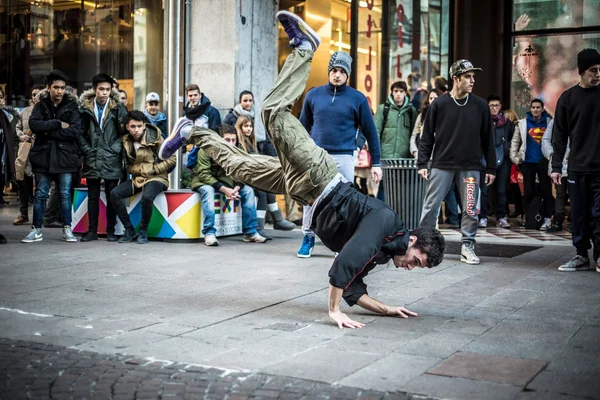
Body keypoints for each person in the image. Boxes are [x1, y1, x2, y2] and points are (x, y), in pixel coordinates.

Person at [159, 11, 445, 328]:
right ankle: (305, 48)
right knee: (270, 112)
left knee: (239, 167)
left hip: (304, 188)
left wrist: (385, 308)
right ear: (413, 242)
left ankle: (190, 132)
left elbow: (354, 289)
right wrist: (334, 311)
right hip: (319, 170)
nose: (410, 268)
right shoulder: (386, 223)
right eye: (416, 262)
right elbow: (344, 265)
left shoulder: (380, 253)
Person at [296, 49, 382, 258]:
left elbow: (370, 131)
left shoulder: (358, 99)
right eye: (334, 69)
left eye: (342, 71)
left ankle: (340, 241)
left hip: (344, 156)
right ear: (329, 71)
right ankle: (308, 237)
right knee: (311, 197)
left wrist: (376, 163)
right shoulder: (313, 95)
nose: (337, 74)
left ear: (348, 74)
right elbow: (301, 128)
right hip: (316, 156)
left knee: (343, 200)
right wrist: (298, 154)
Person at [418, 59, 495, 265]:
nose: (472, 81)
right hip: (442, 164)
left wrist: (491, 167)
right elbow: (427, 136)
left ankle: (467, 245)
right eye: (467, 77)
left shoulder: (480, 106)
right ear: (456, 79)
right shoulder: (439, 104)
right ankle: (425, 245)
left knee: (470, 208)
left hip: (470, 165)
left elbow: (489, 139)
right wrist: (422, 163)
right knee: (431, 205)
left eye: (473, 77)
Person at [552, 48, 600, 272]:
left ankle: (599, 256)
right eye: (593, 70)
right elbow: (559, 136)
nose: (598, 74)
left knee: (599, 213)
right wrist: (555, 167)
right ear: (581, 72)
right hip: (577, 167)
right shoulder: (568, 98)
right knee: (578, 214)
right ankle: (581, 255)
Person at [22, 70, 83, 243]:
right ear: (48, 88)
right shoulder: (40, 105)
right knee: (41, 194)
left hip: (65, 157)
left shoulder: (72, 106)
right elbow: (34, 124)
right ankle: (36, 229)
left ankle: (67, 229)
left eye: (63, 88)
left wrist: (49, 131)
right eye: (56, 87)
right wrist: (57, 124)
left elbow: (76, 130)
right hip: (43, 157)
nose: (59, 91)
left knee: (64, 194)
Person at [191, 124, 267, 246]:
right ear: (220, 139)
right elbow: (203, 174)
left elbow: (243, 172)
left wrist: (236, 188)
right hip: (205, 181)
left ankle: (250, 232)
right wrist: (225, 189)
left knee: (248, 191)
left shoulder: (239, 150)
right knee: (208, 191)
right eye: (227, 140)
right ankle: (209, 233)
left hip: (228, 182)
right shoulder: (206, 149)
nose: (231, 143)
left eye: (233, 140)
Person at [110, 110, 176, 244]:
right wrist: (139, 170)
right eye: (133, 127)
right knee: (114, 194)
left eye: (139, 126)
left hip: (157, 178)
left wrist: (153, 169)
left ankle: (143, 231)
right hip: (138, 179)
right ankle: (129, 230)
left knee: (147, 196)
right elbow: (127, 165)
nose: (136, 130)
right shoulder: (126, 141)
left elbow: (172, 159)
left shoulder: (156, 137)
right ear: (128, 127)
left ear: (144, 126)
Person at [78, 74, 128, 242]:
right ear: (95, 89)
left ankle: (111, 231)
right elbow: (79, 132)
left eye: (107, 89)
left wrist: (114, 149)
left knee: (111, 194)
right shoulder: (84, 108)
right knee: (92, 196)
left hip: (111, 158)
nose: (105, 93)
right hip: (92, 157)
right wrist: (86, 149)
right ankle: (92, 231)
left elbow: (125, 134)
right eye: (101, 89)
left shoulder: (118, 108)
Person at [234, 115, 295, 238]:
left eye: (250, 126)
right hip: (241, 179)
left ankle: (277, 219)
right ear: (239, 127)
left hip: (251, 176)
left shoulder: (252, 143)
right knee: (262, 191)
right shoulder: (239, 144)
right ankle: (260, 226)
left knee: (267, 188)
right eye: (245, 126)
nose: (249, 129)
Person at [510, 98, 554, 230]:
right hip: (528, 162)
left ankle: (547, 219)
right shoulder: (522, 123)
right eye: (533, 107)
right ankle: (528, 218)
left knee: (546, 191)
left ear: (542, 108)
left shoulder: (549, 122)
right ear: (530, 108)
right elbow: (515, 142)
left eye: (538, 107)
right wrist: (515, 158)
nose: (535, 110)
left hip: (544, 161)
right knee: (528, 191)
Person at [374, 81, 418, 201]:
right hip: (386, 156)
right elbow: (376, 132)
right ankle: (380, 215)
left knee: (402, 189)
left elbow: (415, 134)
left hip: (404, 158)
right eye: (395, 91)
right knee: (384, 187)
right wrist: (376, 155)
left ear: (405, 93)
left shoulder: (411, 111)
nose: (398, 94)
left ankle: (398, 216)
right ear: (392, 92)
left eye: (401, 91)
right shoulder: (384, 109)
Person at [484, 94, 514, 229]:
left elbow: (512, 139)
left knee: (502, 190)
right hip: (486, 160)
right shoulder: (483, 120)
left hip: (504, 160)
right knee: (484, 190)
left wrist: (508, 151)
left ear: (500, 106)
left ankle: (501, 217)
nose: (494, 108)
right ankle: (482, 217)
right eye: (491, 105)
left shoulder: (507, 122)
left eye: (496, 105)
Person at [13, 86, 42, 225]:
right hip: (25, 151)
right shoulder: (25, 112)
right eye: (33, 94)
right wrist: (21, 135)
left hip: (41, 152)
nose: (35, 97)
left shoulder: (47, 111)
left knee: (40, 186)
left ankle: (39, 216)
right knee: (22, 183)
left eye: (38, 94)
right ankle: (23, 214)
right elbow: (17, 127)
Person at [541, 119, 568, 232]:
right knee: (559, 193)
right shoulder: (555, 121)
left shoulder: (579, 116)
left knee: (578, 193)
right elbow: (546, 139)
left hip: (576, 161)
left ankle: (578, 220)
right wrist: (551, 154)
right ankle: (558, 220)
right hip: (558, 162)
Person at [0, 87, 19, 206]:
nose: (0, 100)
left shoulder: (6, 116)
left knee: (2, 174)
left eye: (1, 97)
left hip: (3, 152)